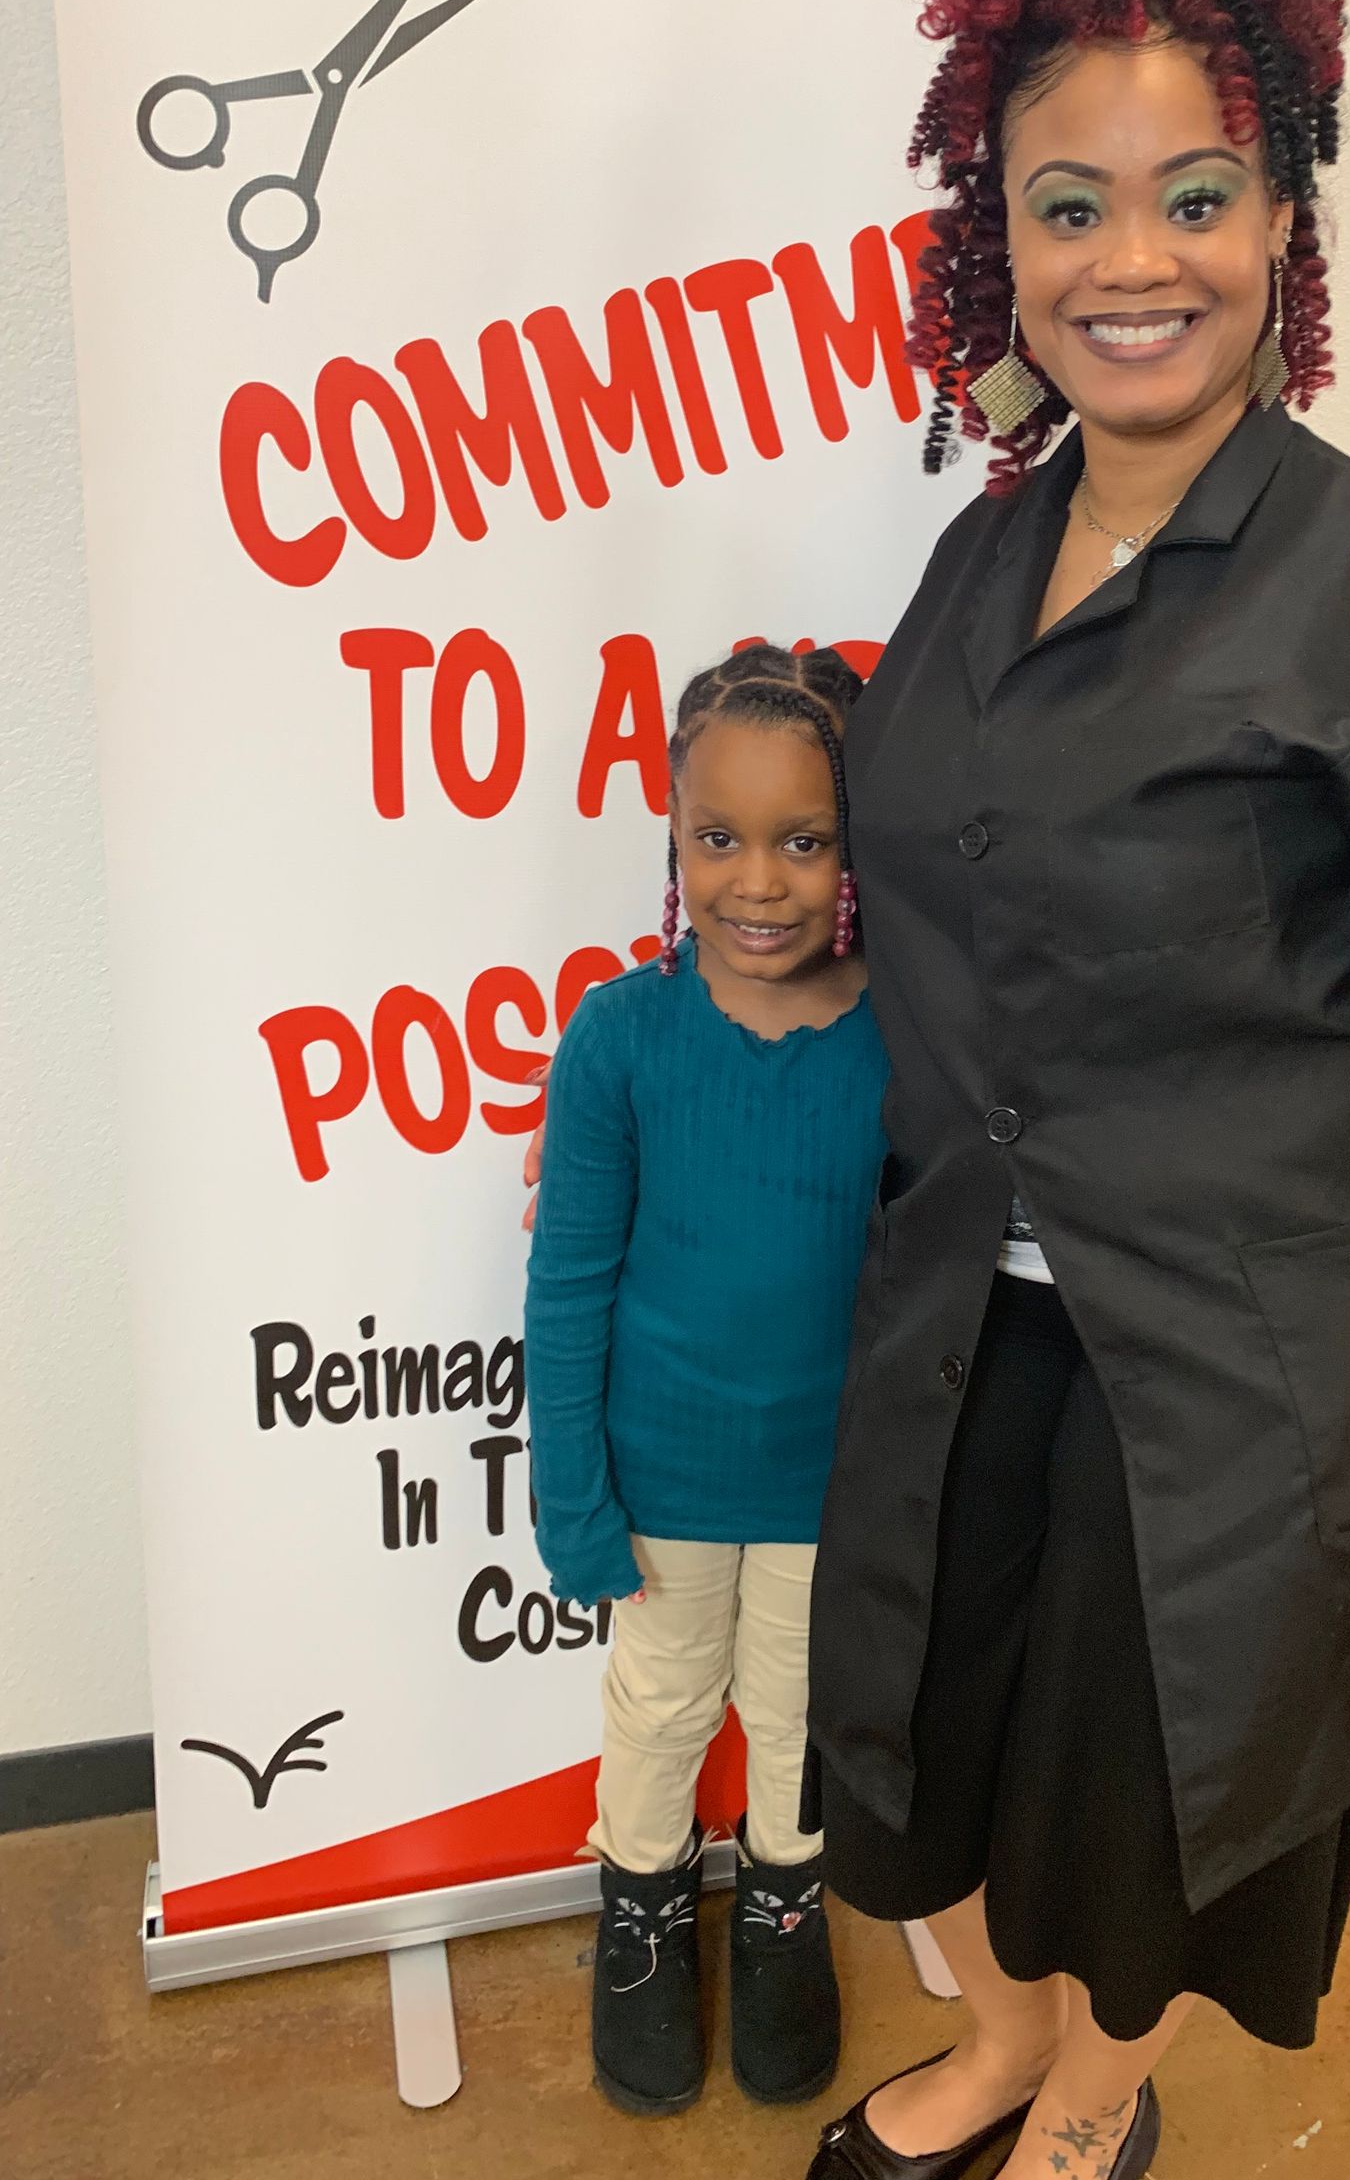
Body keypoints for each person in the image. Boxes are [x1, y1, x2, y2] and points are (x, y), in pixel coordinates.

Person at [802, 0, 1350, 2180]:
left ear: (1286, 226)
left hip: (1252, 1378)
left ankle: (1092, 2090)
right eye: (1070, 204)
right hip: (976, 1324)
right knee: (938, 1758)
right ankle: (1000, 2034)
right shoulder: (983, 549)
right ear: (1006, 237)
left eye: (1199, 194)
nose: (1133, 260)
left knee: (1148, 1807)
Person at [523, 643, 887, 2123]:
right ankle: (647, 1911)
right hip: (665, 1478)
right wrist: (572, 1502)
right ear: (671, 839)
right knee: (662, 1708)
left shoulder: (907, 1039)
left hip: (831, 1486)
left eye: (805, 841)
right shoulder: (618, 1039)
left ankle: (789, 1906)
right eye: (718, 839)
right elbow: (567, 1288)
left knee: (803, 1716)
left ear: (855, 848)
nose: (761, 882)